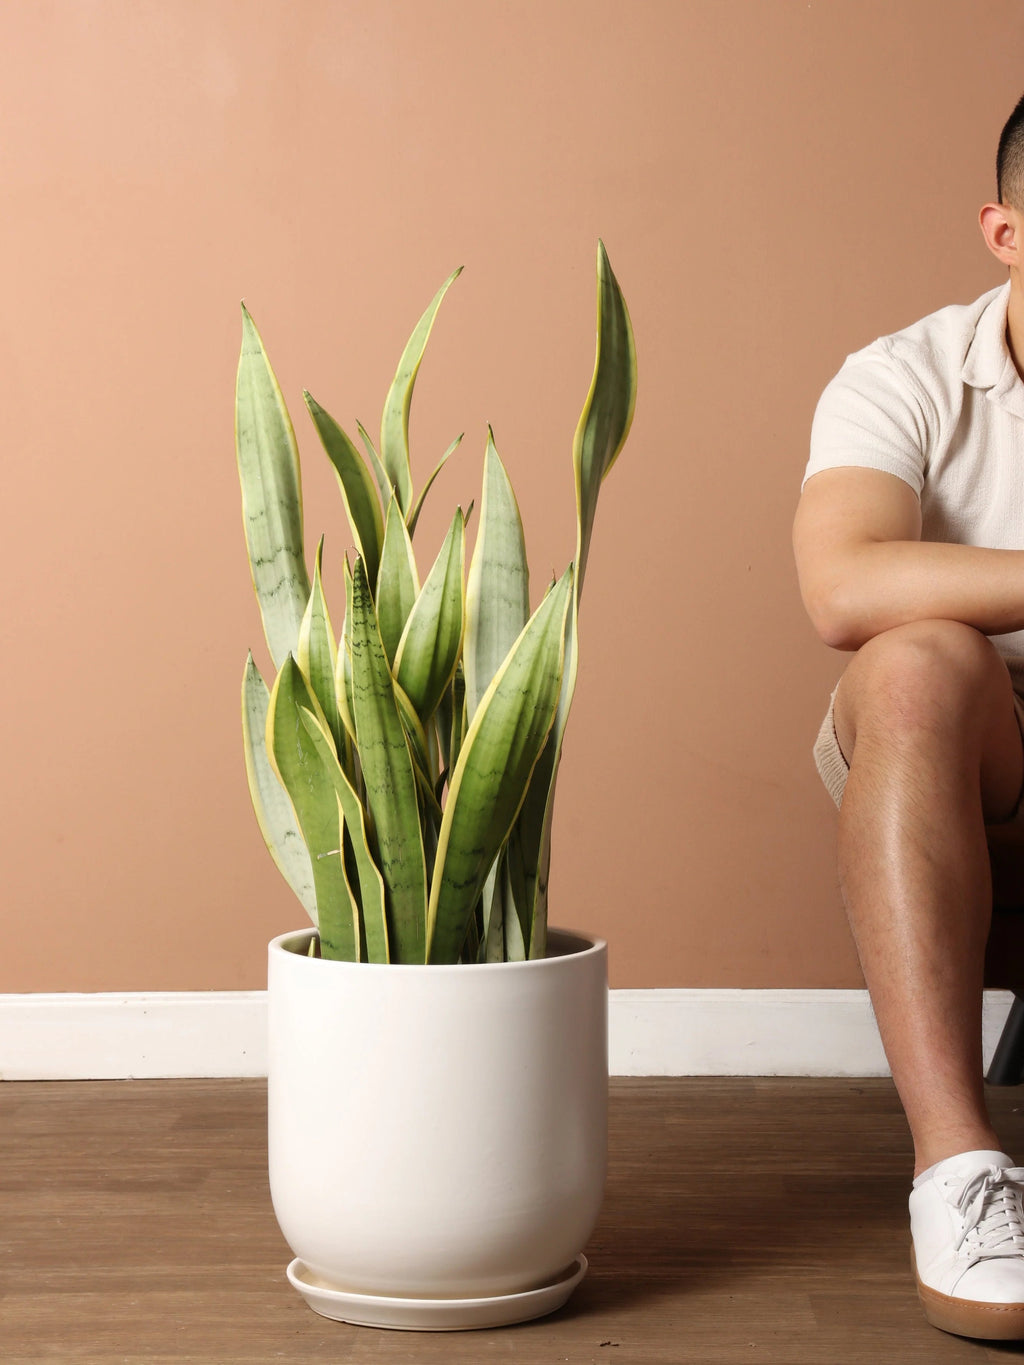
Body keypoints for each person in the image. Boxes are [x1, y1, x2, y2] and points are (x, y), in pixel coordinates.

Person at [793, 93, 1024, 1342]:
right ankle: (959, 1177)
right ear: (1004, 231)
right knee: (914, 664)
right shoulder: (903, 376)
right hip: (982, 750)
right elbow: (843, 587)